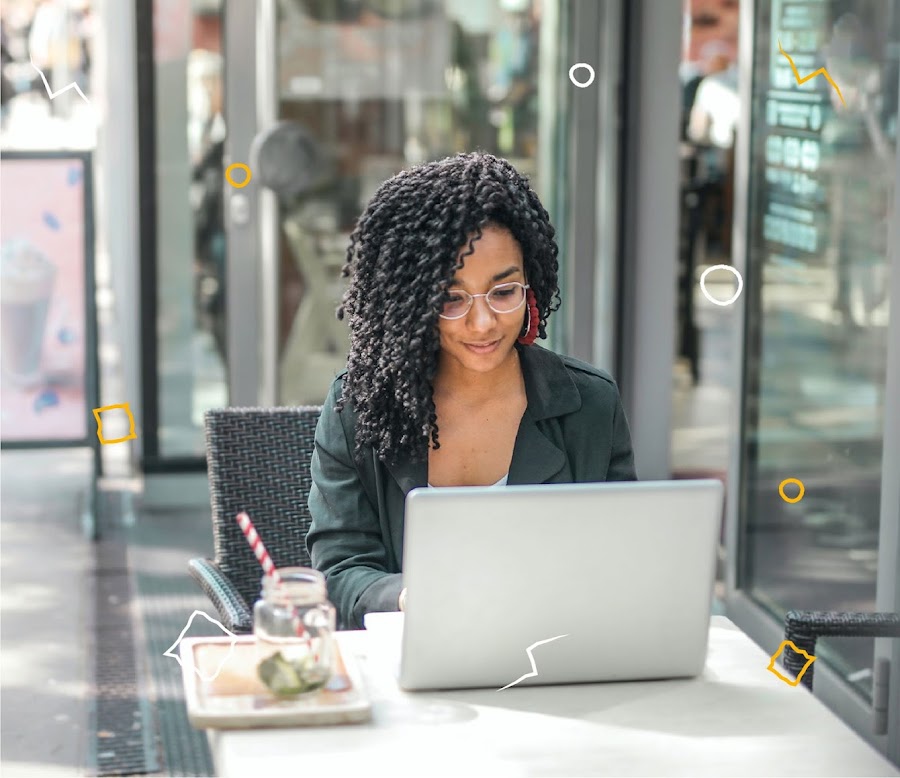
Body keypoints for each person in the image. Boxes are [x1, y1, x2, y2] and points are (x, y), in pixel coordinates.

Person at [306, 152, 638, 630]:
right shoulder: (358, 408)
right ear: (411, 302)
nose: (482, 324)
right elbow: (339, 574)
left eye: (504, 293)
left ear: (532, 286)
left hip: (554, 655)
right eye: (451, 298)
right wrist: (407, 596)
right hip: (412, 665)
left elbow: (621, 564)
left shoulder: (590, 405)